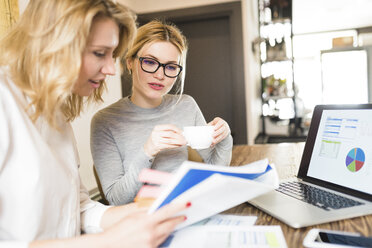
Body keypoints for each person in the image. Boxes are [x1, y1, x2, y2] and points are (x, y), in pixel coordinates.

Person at [0, 1, 189, 247]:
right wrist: (107, 242)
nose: (111, 69)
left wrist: (145, 211)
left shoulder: (57, 115)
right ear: (55, 43)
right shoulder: (5, 102)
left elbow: (77, 209)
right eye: (100, 53)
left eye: (112, 55)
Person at [91, 20, 233, 206]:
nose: (160, 75)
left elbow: (216, 172)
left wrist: (224, 138)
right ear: (130, 63)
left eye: (171, 67)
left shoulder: (187, 105)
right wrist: (148, 151)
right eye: (150, 62)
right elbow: (117, 200)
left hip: (187, 208)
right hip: (140, 220)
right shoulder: (105, 121)